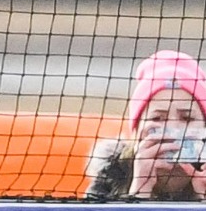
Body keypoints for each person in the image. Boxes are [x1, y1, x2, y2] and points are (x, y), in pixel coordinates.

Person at [86, 49, 206, 201]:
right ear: (137, 130)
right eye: (157, 118)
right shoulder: (113, 173)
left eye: (187, 118)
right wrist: (140, 190)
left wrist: (202, 199)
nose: (173, 127)